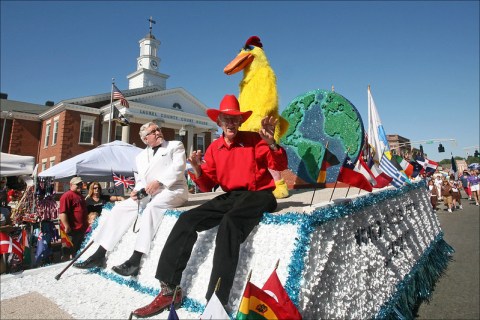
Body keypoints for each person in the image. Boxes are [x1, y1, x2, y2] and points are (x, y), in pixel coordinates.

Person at [131, 94, 288, 318]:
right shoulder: (214, 148)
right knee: (186, 220)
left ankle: (216, 301)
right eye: (226, 119)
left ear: (240, 122)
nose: (231, 123)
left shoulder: (254, 140)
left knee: (230, 223)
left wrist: (271, 143)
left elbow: (280, 164)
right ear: (220, 123)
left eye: (235, 119)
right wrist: (196, 169)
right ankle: (169, 290)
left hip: (259, 194)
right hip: (231, 195)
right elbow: (207, 185)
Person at [74, 122, 188, 277]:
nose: (158, 132)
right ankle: (99, 254)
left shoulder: (175, 145)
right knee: (119, 208)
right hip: (148, 192)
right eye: (153, 131)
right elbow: (140, 179)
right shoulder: (140, 157)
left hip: (173, 189)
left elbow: (178, 168)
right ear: (145, 139)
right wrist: (136, 190)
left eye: (158, 129)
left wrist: (159, 181)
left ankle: (135, 259)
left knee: (152, 208)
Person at [59, 177, 89, 258]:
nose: (80, 186)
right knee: (68, 252)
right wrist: (66, 226)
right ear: (71, 185)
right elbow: (62, 213)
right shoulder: (67, 196)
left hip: (81, 230)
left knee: (78, 252)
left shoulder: (80, 196)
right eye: (77, 184)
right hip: (71, 231)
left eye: (81, 184)